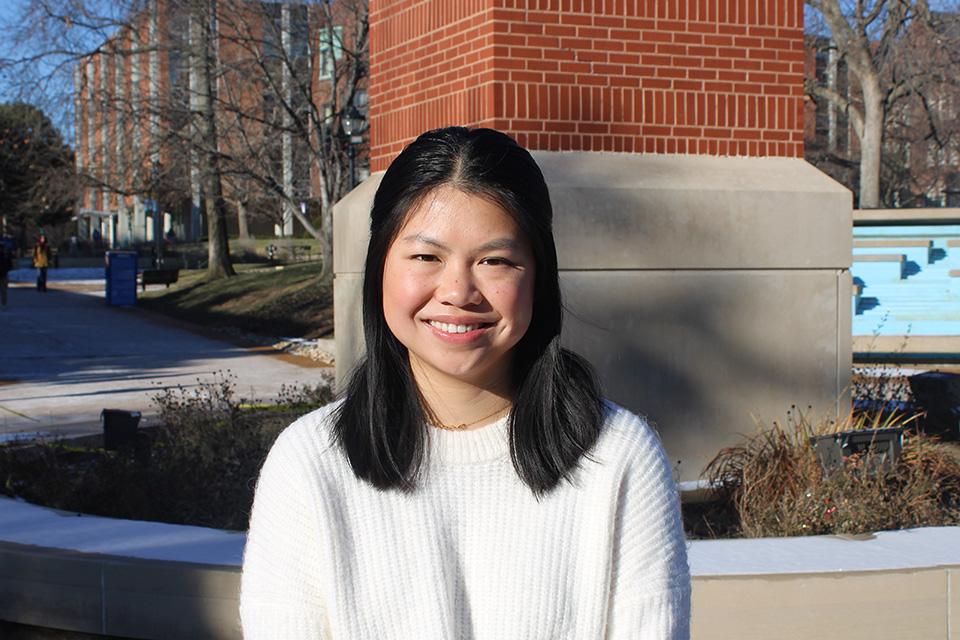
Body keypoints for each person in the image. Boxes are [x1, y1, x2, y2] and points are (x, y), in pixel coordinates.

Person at [240, 127, 691, 639]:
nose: (458, 291)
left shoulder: (618, 458)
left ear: (538, 279)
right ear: (379, 270)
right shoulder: (309, 464)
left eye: (494, 261)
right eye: (426, 257)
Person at [0, 242, 11, 307]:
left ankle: (4, 303)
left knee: (4, 290)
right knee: (4, 290)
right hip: (4, 274)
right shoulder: (5, 255)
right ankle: (4, 303)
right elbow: (10, 265)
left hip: (4, 274)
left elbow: (9, 265)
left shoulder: (5, 256)